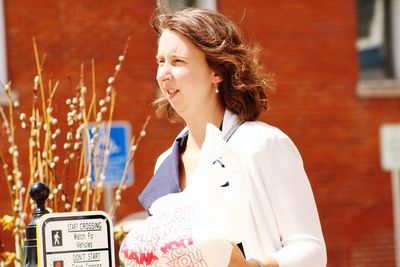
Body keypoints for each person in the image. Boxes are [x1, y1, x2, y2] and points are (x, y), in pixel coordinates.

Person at [135, 4, 327, 267]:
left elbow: (312, 249)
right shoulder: (165, 162)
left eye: (177, 61)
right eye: (160, 61)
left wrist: (251, 266)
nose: (163, 74)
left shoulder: (264, 145)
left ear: (217, 72)